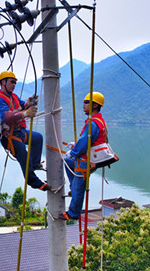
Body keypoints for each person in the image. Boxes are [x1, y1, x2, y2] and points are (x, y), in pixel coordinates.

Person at [0, 71, 50, 191]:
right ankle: (34, 182)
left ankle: (35, 164)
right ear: (3, 82)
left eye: (15, 82)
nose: (14, 85)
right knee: (24, 156)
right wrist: (24, 113)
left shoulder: (13, 97)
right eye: (11, 82)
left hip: (20, 132)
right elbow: (6, 116)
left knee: (38, 138)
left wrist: (28, 104)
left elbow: (22, 106)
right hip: (9, 136)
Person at [60, 92, 107, 220]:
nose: (84, 104)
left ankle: (73, 213)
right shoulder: (97, 121)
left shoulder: (93, 123)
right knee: (67, 162)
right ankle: (73, 189)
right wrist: (75, 145)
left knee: (78, 185)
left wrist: (74, 151)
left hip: (86, 160)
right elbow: (89, 140)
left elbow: (86, 141)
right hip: (87, 157)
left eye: (87, 102)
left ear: (95, 105)